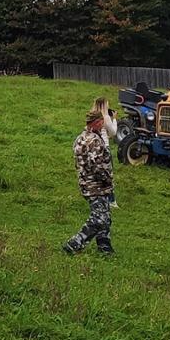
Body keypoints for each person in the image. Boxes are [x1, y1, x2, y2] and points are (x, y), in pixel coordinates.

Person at [63, 104, 115, 255]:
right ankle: (74, 243)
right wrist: (107, 179)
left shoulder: (80, 138)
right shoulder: (94, 141)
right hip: (96, 185)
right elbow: (97, 165)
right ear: (97, 122)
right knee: (99, 218)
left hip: (86, 183)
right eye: (102, 121)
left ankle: (104, 247)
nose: (104, 123)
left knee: (105, 216)